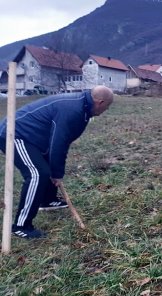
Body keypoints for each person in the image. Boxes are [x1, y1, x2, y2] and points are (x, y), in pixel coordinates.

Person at [0, 86, 114, 239]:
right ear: (100, 102)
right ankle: (21, 226)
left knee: (46, 167)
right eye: (108, 106)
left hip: (35, 138)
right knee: (37, 174)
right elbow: (58, 143)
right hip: (15, 134)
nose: (107, 109)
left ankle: (48, 201)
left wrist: (56, 171)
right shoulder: (73, 110)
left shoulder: (82, 107)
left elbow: (62, 141)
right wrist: (57, 174)